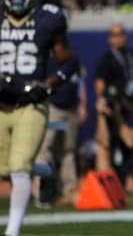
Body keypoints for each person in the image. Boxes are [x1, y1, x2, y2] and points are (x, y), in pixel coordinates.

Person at [0, 0, 73, 236]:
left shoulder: (47, 19)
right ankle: (45, 169)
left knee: (19, 168)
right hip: (1, 103)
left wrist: (47, 85)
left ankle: (12, 232)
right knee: (7, 170)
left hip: (30, 103)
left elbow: (70, 61)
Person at [94, 24, 133, 189]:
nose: (117, 38)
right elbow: (100, 83)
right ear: (109, 38)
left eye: (120, 34)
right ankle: (117, 182)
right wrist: (103, 102)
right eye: (114, 35)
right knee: (116, 144)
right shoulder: (107, 59)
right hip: (116, 106)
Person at [34, 44, 84, 208]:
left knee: (68, 150)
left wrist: (82, 104)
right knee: (45, 149)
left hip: (70, 107)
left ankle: (69, 189)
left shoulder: (73, 57)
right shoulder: (46, 58)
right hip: (53, 107)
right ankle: (43, 191)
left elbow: (80, 81)